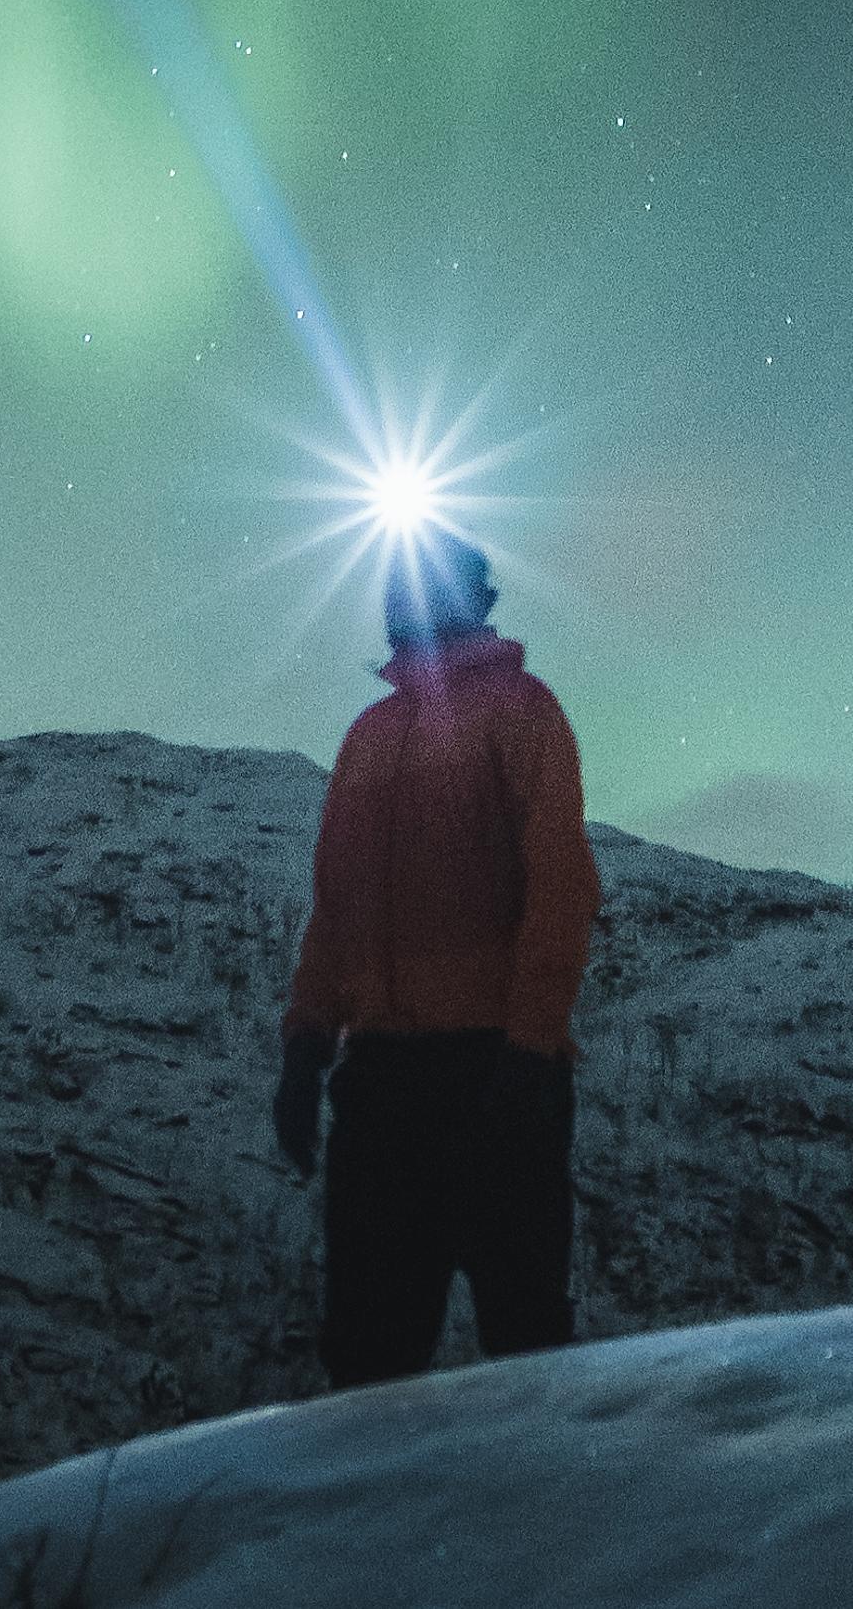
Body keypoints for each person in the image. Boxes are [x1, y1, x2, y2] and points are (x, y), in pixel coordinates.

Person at [271, 528, 603, 1387]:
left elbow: (561, 885)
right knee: (368, 1357)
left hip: (495, 1071)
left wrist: (528, 1049)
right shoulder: (369, 735)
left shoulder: (523, 711)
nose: (395, 603)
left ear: (470, 599)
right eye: (391, 587)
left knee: (524, 1347)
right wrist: (307, 1048)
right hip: (384, 1084)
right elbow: (336, 907)